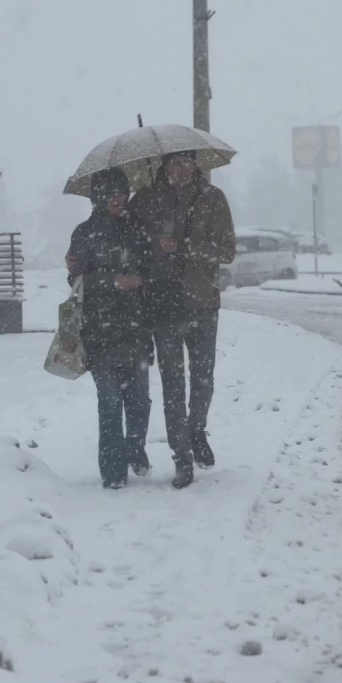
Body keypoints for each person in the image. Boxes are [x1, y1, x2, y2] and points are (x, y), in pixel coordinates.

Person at [131, 152, 236, 489]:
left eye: (185, 163)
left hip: (202, 301)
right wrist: (153, 248)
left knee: (203, 378)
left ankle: (196, 429)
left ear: (195, 165)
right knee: (173, 385)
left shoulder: (212, 198)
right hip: (163, 304)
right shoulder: (146, 200)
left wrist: (185, 246)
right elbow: (130, 244)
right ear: (163, 167)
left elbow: (226, 251)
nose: (178, 170)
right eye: (172, 164)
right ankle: (182, 456)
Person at [65, 167, 153, 489]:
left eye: (123, 191)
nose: (119, 198)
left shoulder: (138, 228)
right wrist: (114, 281)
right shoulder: (84, 233)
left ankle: (134, 448)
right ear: (98, 196)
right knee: (111, 402)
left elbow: (151, 269)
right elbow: (76, 282)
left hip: (136, 329)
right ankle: (113, 472)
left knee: (140, 401)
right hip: (99, 331)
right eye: (112, 193)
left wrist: (143, 280)